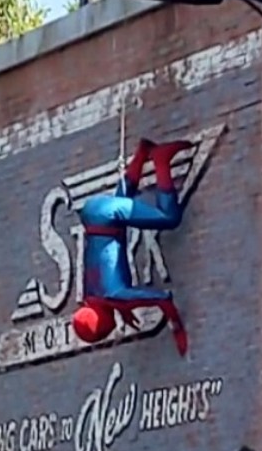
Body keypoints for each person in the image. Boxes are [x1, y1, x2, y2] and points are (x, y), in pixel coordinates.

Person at [71, 138, 192, 356]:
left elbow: (163, 299)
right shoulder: (91, 296)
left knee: (170, 218)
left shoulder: (115, 296)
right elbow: (110, 292)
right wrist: (122, 309)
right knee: (120, 202)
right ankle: (142, 153)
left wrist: (178, 329)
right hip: (92, 214)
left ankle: (161, 160)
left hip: (108, 218)